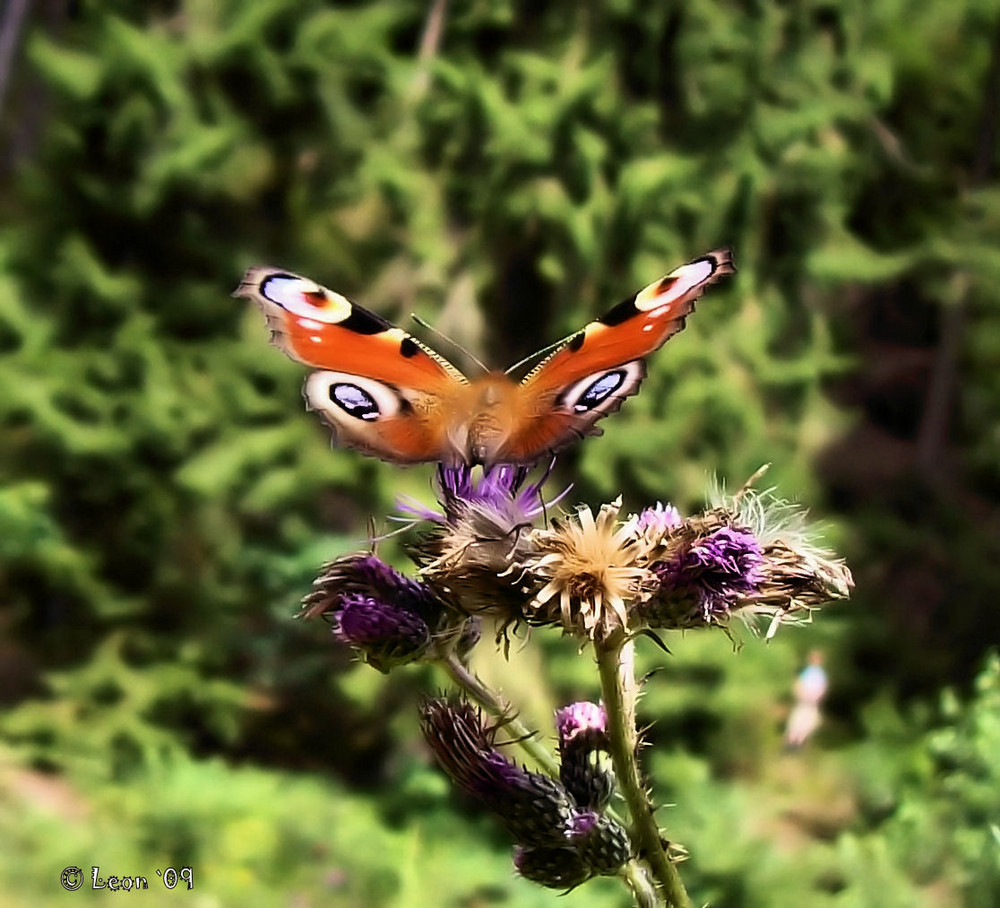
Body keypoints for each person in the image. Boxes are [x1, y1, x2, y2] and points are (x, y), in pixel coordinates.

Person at [783, 650, 828, 748]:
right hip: (804, 700)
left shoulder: (820, 674)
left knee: (808, 721)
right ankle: (791, 741)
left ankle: (798, 742)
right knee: (798, 719)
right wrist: (801, 694)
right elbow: (798, 684)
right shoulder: (807, 671)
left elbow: (822, 688)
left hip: (812, 701)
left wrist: (816, 697)